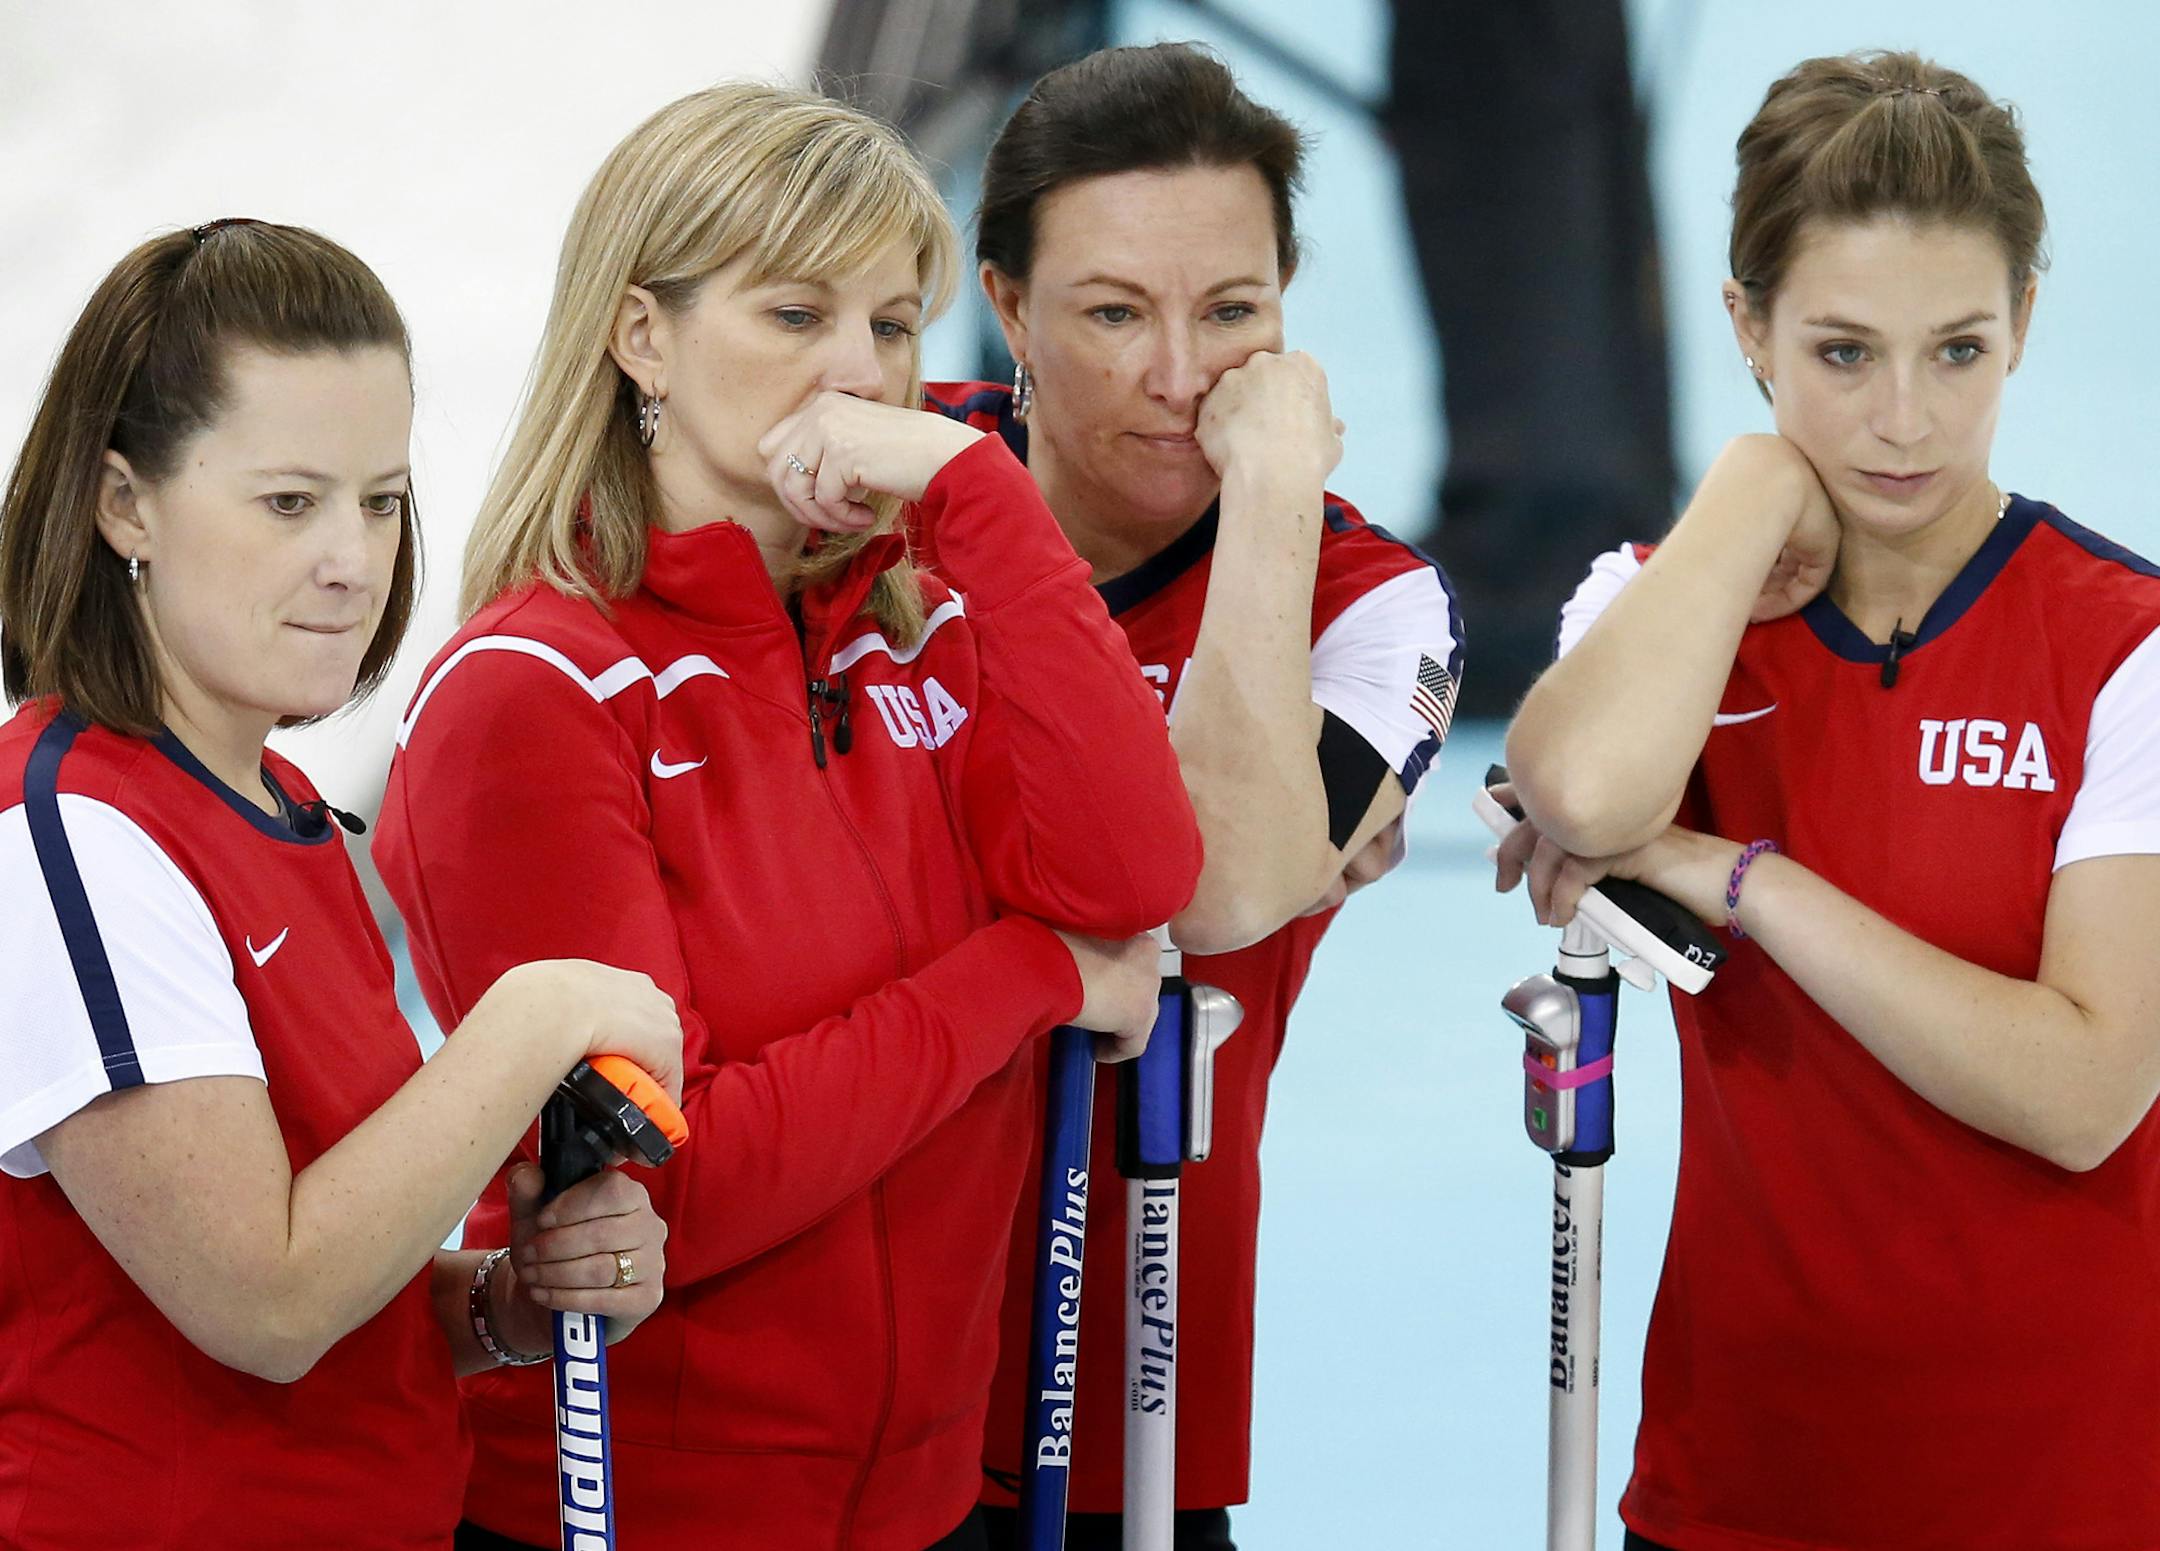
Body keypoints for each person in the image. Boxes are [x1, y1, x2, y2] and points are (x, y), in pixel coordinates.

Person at [369, 84, 1201, 1551]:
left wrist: (976, 495)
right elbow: (665, 1186)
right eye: (795, 313)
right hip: (630, 1505)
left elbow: (1133, 876)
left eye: (891, 325)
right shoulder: (534, 694)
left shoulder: (921, 631)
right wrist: (1027, 975)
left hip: (930, 1505)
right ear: (643, 337)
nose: (858, 373)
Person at [1500, 50, 2160, 1551]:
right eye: (1844, 353)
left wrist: (1749, 882)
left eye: (1959, 350)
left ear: (2027, 329)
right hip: (1741, 1473)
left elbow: (2081, 1096)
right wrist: (1747, 487)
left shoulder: (2131, 648)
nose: (1905, 424)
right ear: (1748, 328)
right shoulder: (1664, 613)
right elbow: (1589, 785)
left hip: (2070, 1485)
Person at [0, 221, 682, 1549]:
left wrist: (502, 1305)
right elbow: (264, 1302)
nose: (353, 561)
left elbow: (336, 1285)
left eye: (380, 499)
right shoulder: (68, 833)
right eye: (288, 501)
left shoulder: (285, 805)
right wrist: (535, 1017)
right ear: (125, 503)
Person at [941, 43, 1468, 1551]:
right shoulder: (876, 485)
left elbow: (1222, 887)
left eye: (1232, 313)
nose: (1181, 378)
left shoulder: (1371, 601)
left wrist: (1275, 505)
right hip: (803, 1390)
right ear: (1008, 303)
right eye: (1113, 313)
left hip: (1123, 1424)